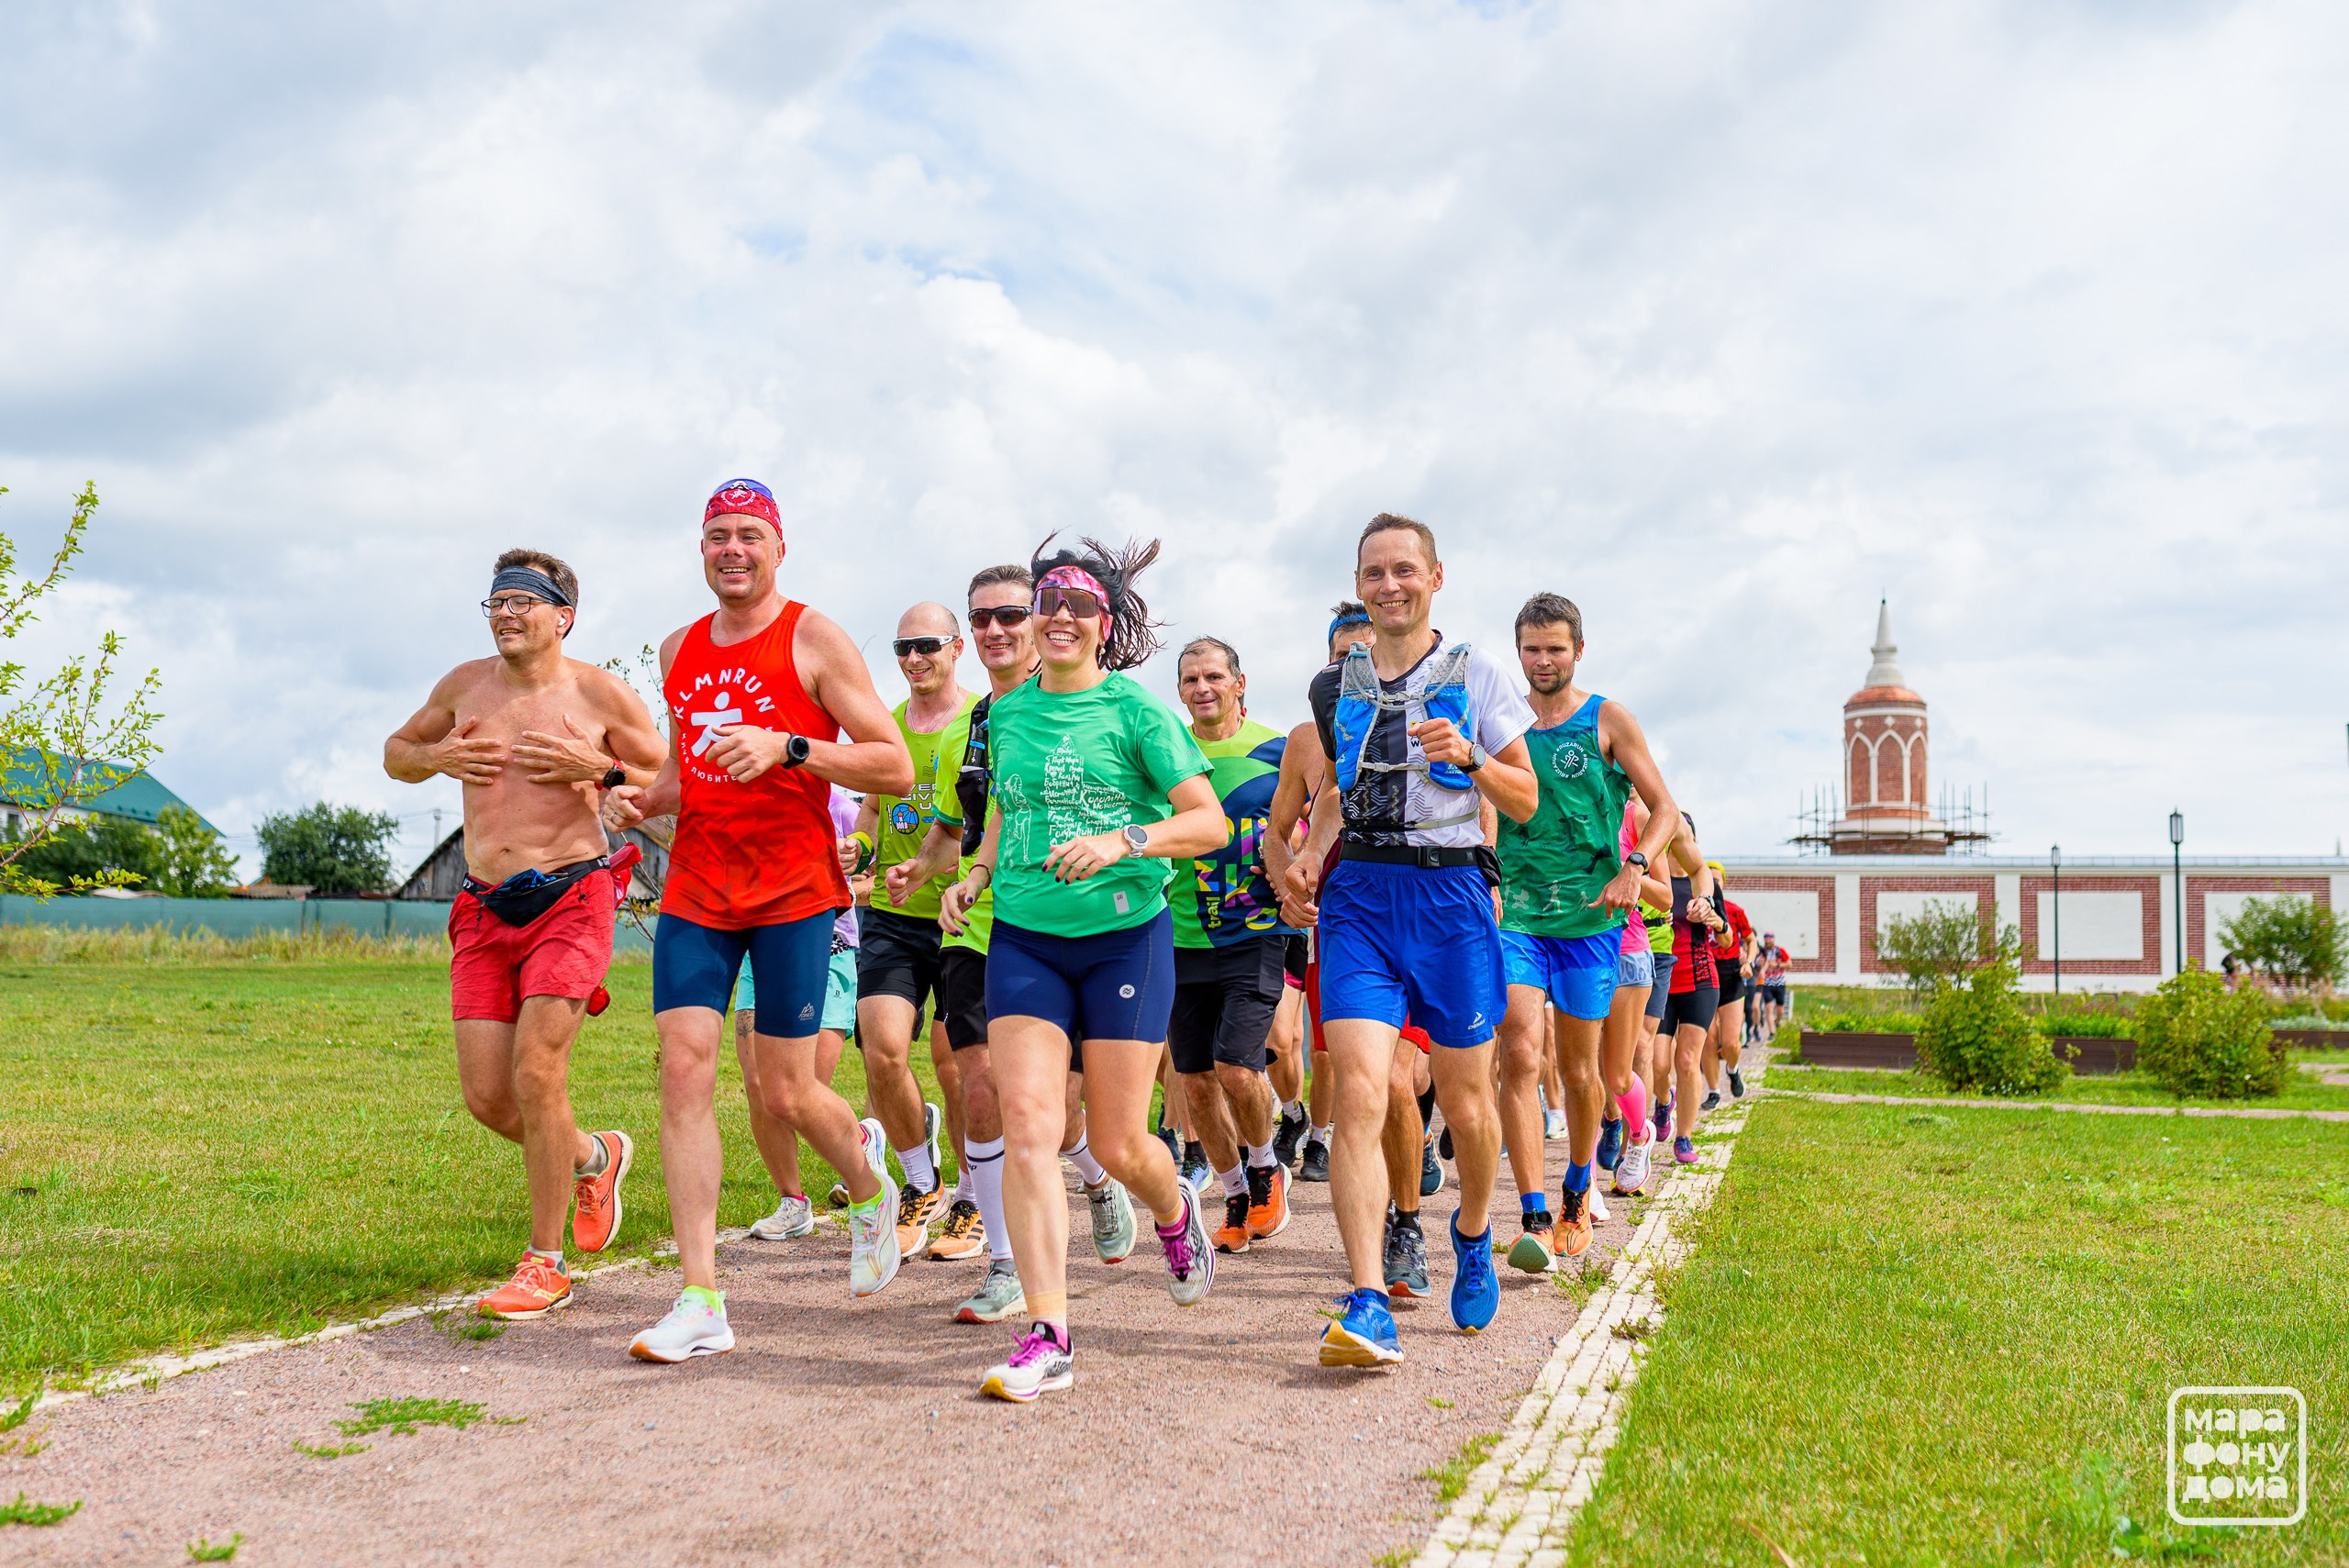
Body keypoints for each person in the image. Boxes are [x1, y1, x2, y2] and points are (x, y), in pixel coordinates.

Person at [602, 478, 915, 1362]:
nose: (732, 549)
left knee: (786, 1090)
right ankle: (701, 1296)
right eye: (716, 536)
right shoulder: (679, 649)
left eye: (749, 534)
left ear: (779, 548)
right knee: (684, 1067)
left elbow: (890, 766)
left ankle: (863, 1173)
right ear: (700, 551)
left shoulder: (814, 638)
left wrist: (792, 747)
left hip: (794, 890)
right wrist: (641, 798)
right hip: (699, 886)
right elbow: (689, 771)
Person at [938, 536, 1229, 1401]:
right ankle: (1050, 1330)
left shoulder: (1138, 713)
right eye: (1048, 602)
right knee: (1028, 1124)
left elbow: (1206, 823)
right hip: (1024, 936)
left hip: (1125, 937)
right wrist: (978, 874)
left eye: (1080, 606)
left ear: (1105, 625)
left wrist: (1122, 839)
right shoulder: (1006, 713)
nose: (1060, 616)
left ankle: (1172, 1208)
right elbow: (1002, 813)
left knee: (1115, 1141)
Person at [385, 550, 667, 1320]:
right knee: (489, 1096)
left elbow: (660, 771)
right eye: (496, 602)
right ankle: (593, 1155)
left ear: (561, 615)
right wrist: (437, 755)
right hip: (482, 907)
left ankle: (545, 1263)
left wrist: (598, 766)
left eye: (522, 602)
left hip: (571, 897)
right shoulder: (463, 685)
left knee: (538, 1074)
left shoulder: (598, 691)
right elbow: (396, 753)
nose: (506, 613)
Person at [1286, 514, 1539, 1367]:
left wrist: (1470, 756)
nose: (1389, 584)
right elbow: (1331, 793)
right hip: (1360, 894)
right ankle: (1367, 1298)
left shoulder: (1478, 673)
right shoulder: (1332, 688)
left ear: (1436, 577)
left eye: (1404, 569)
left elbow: (1528, 799)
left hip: (1452, 893)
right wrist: (1306, 861)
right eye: (1373, 572)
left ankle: (1471, 1230)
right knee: (1358, 1088)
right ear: (1359, 583)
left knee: (1467, 1104)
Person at [895, 564, 1139, 1327]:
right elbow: (954, 828)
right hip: (984, 925)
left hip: (1080, 923)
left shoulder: (1090, 705)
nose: (998, 630)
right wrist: (924, 868)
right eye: (985, 618)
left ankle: (1099, 1175)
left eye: (1012, 615)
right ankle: (1007, 1263)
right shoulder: (977, 722)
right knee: (982, 1086)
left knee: (1059, 1114)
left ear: (1039, 623)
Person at [1491, 595, 1682, 1272]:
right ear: (1518, 651)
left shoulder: (1607, 718)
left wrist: (1635, 866)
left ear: (1578, 649)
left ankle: (1577, 1185)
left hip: (1592, 922)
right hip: (1516, 913)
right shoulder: (1501, 719)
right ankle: (1533, 1211)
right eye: (1532, 649)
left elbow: (1664, 809)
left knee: (1579, 1068)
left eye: (1555, 648)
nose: (1543, 660)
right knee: (1517, 1048)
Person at [848, 602, 977, 1258]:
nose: (914, 658)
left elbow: (980, 828)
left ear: (957, 647)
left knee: (957, 1066)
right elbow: (871, 806)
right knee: (883, 1047)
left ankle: (975, 1196)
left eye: (927, 644)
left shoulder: (986, 719)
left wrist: (933, 867)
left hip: (966, 917)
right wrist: (862, 852)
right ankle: (921, 1183)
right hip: (895, 919)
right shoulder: (889, 728)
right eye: (902, 648)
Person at [1167, 636, 1295, 1254]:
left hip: (1254, 931)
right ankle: (1233, 1191)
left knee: (1237, 1066)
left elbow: (1312, 823)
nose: (1202, 687)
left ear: (1239, 683)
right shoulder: (1167, 753)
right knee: (1193, 1081)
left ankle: (1267, 1167)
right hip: (1178, 934)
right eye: (1190, 679)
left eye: (1213, 675)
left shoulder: (1279, 748)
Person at [1265, 603, 1374, 1182]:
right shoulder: (1307, 738)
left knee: (1392, 1065)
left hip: (1405, 908)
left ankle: (1386, 1136)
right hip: (1324, 915)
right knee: (1306, 1041)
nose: (1354, 667)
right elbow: (1275, 832)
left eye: (1366, 655)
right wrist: (1289, 877)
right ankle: (1309, 1125)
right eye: (1342, 657)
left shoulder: (1425, 719)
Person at [736, 784, 865, 1242]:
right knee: (759, 1084)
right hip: (760, 949)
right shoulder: (751, 800)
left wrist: (845, 881)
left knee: (803, 1088)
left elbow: (876, 873)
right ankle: (792, 1201)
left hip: (827, 948)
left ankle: (866, 1148)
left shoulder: (843, 809)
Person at [1660, 819, 1728, 1167]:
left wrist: (1714, 919)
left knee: (1686, 1060)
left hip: (1700, 979)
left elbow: (1727, 939)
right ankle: (1663, 1101)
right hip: (1661, 980)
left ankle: (1683, 1136)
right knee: (1658, 1063)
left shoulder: (1704, 883)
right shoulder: (1654, 875)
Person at [1699, 867, 1752, 1109]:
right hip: (1704, 972)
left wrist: (1749, 962)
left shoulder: (1734, 910)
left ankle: (1732, 1069)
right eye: (1708, 880)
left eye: (1716, 880)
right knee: (1708, 1040)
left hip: (1731, 973)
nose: (1713, 884)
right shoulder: (1695, 909)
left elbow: (1750, 941)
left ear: (1723, 883)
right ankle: (1713, 1091)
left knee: (1730, 1042)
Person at [1755, 931, 1789, 1039]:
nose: (1768, 940)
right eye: (1766, 938)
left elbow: (1789, 964)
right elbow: (1755, 964)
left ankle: (1777, 1021)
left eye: (1770, 938)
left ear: (1773, 939)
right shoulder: (1761, 952)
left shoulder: (1780, 951)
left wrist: (1777, 965)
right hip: (1767, 983)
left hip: (1779, 983)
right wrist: (1759, 964)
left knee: (1780, 1010)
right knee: (1769, 1008)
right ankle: (1772, 1033)